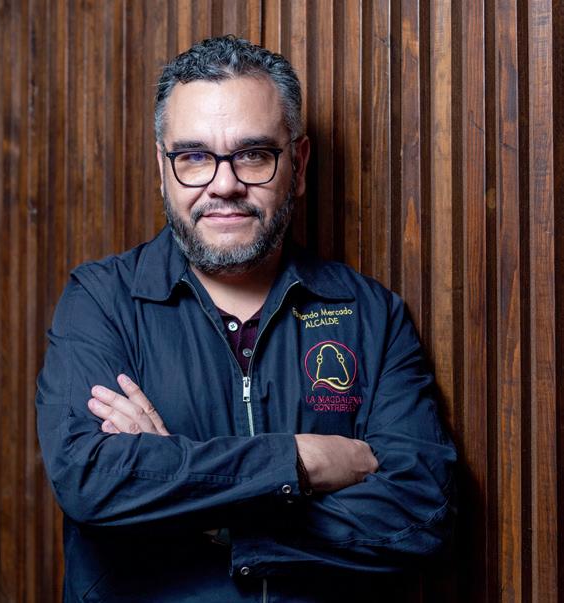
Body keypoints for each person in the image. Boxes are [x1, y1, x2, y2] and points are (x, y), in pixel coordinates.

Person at [36, 35, 456, 602]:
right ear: (163, 168)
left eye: (253, 154)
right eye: (193, 157)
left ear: (298, 165)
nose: (224, 184)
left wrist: (207, 514)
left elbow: (422, 512)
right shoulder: (102, 301)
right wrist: (298, 463)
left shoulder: (371, 316)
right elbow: (91, 478)